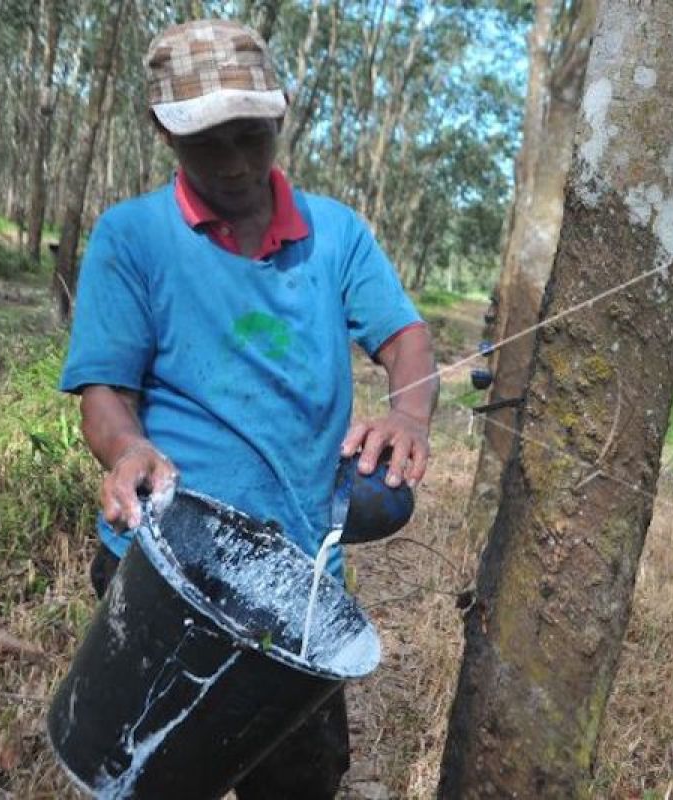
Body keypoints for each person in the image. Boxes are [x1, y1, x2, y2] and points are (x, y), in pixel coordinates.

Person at [59, 19, 438, 798]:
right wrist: (128, 449)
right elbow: (106, 393)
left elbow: (407, 340)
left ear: (283, 112)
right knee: (140, 771)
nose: (233, 164)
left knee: (295, 779)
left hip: (297, 582)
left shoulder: (334, 235)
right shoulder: (132, 239)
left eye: (250, 135)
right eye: (207, 142)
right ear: (163, 130)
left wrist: (408, 417)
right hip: (163, 571)